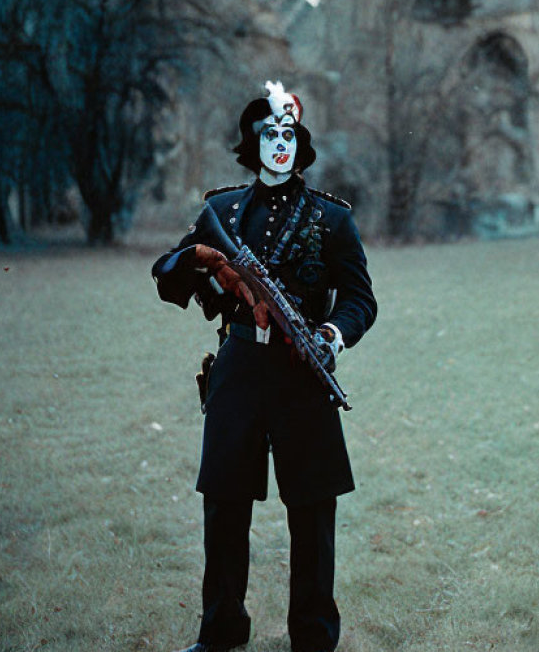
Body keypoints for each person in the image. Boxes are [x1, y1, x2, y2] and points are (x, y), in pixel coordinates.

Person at [152, 81, 377, 652]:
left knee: (312, 512)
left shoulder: (332, 219)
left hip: (304, 374)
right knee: (224, 506)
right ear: (252, 147)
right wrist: (201, 261)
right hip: (239, 372)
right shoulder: (220, 210)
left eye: (289, 135)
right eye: (268, 135)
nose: (279, 144)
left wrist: (331, 335)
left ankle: (313, 638)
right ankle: (220, 634)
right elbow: (167, 273)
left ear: (300, 148)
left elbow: (360, 301)